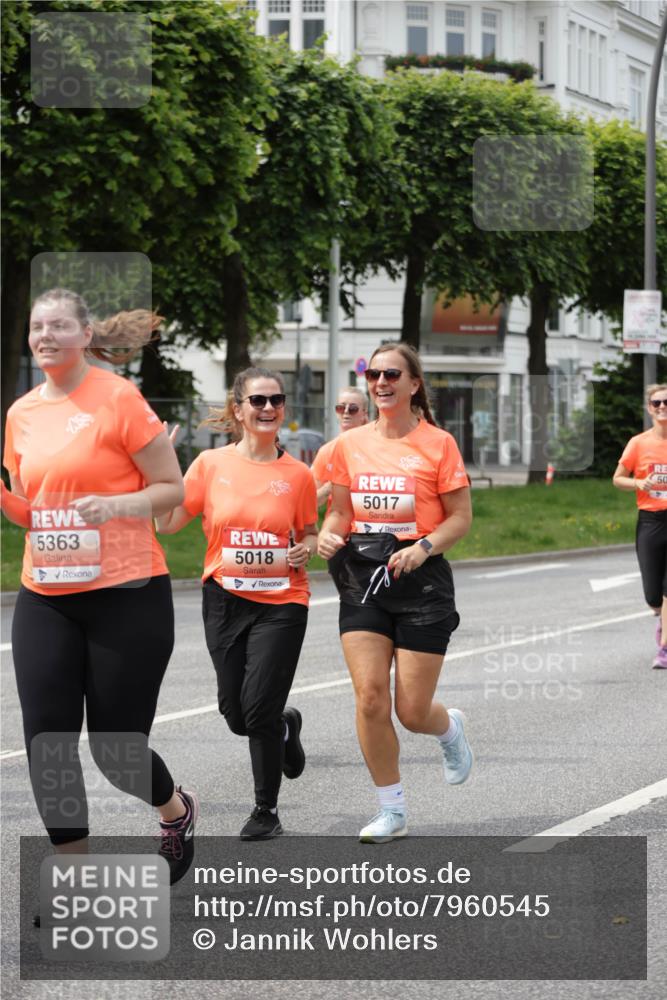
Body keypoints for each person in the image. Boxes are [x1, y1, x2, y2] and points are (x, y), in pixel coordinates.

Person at [1, 288, 198, 887]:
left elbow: (171, 488)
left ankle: (175, 810)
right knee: (48, 744)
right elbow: (28, 509)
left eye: (59, 326)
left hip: (127, 594)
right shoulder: (21, 414)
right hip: (46, 595)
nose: (45, 336)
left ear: (86, 336)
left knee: (116, 750)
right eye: (38, 327)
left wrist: (116, 505)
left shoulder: (119, 399)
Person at [318, 342, 473, 843]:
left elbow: (460, 518)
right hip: (363, 576)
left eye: (391, 375)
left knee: (411, 711)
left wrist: (424, 547)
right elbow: (340, 511)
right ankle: (392, 810)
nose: (381, 383)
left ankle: (447, 728)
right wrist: (328, 533)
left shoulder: (438, 444)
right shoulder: (349, 444)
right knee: (369, 700)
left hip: (420, 580)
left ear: (413, 384)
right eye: (374, 375)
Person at [156, 367, 318, 840]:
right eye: (258, 401)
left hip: (282, 601)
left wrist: (305, 548)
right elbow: (168, 522)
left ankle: (265, 810)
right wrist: (158, 467)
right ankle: (286, 729)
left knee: (259, 707)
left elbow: (309, 531)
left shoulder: (298, 474)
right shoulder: (210, 466)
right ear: (238, 409)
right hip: (224, 598)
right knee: (236, 714)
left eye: (276, 400)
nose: (268, 409)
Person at [613, 382, 667, 670]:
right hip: (650, 520)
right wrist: (638, 482)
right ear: (649, 408)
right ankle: (661, 618)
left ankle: (665, 649)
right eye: (656, 403)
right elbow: (618, 477)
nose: (662, 408)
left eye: (666, 403)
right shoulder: (639, 443)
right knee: (652, 594)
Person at [311, 387, 369, 508]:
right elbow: (309, 501)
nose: (346, 412)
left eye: (353, 408)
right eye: (341, 408)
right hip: (337, 524)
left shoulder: (374, 447)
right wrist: (331, 487)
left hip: (369, 523)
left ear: (364, 414)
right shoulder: (326, 451)